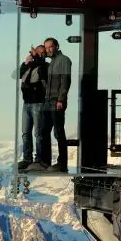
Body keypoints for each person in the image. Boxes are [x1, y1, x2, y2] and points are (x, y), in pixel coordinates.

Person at [28, 37, 72, 173]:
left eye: (51, 47)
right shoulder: (52, 62)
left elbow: (65, 82)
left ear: (57, 46)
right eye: (46, 48)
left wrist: (61, 100)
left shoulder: (63, 60)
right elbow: (41, 59)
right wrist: (34, 54)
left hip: (56, 101)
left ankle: (62, 163)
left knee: (58, 132)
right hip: (48, 101)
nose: (48, 50)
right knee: (43, 131)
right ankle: (44, 162)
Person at [12, 45, 49, 170]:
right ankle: (27, 159)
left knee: (38, 133)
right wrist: (26, 63)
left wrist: (37, 59)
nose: (40, 55)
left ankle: (39, 159)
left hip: (38, 103)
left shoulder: (45, 66)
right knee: (25, 133)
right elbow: (14, 75)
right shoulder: (29, 66)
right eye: (38, 53)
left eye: (42, 53)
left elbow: (44, 72)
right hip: (26, 103)